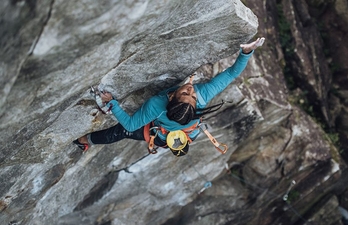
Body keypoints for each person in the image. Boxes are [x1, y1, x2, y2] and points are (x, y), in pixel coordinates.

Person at [74, 37, 265, 156]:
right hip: (184, 130)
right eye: (191, 95)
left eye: (187, 93)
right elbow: (231, 74)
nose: (190, 89)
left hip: (162, 136)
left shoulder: (157, 105)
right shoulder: (201, 96)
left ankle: (85, 142)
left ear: (172, 97)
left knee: (120, 132)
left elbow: (131, 125)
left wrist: (113, 104)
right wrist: (247, 52)